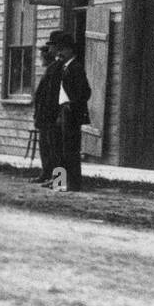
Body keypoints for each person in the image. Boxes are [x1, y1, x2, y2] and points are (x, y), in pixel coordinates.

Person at [52, 31, 91, 192]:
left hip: (71, 113)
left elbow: (86, 92)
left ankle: (74, 184)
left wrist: (72, 104)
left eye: (63, 49)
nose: (59, 52)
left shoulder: (76, 68)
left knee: (71, 150)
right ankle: (59, 182)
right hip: (62, 111)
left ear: (70, 50)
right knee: (60, 149)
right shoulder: (62, 68)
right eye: (58, 49)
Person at [31, 37, 64, 184]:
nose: (40, 59)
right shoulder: (51, 69)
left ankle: (58, 181)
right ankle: (46, 174)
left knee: (55, 149)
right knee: (45, 147)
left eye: (42, 56)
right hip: (45, 115)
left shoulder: (57, 68)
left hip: (52, 115)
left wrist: (53, 114)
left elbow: (53, 95)